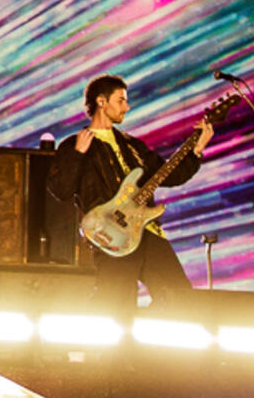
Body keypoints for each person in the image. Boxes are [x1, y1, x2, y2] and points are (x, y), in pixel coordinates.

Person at [47, 74, 213, 317]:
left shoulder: (134, 146)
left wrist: (196, 150)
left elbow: (168, 176)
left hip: (147, 230)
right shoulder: (75, 144)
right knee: (117, 306)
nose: (127, 106)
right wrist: (78, 155)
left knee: (179, 297)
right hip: (113, 234)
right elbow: (60, 190)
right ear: (101, 102)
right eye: (121, 100)